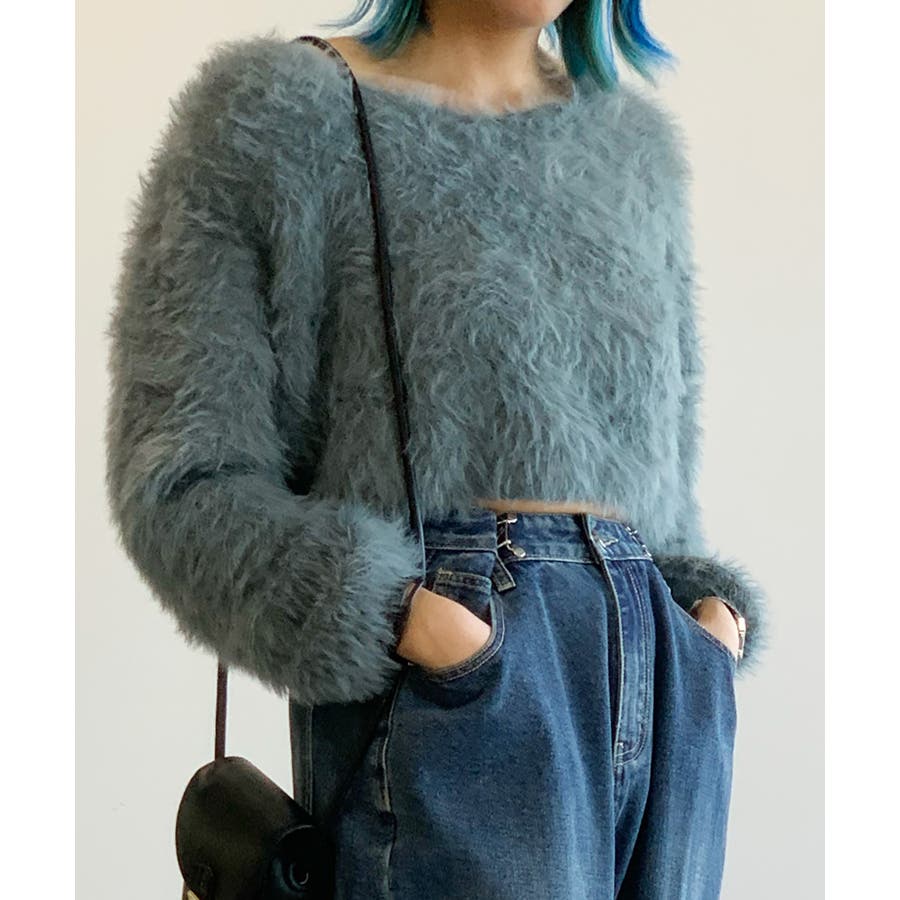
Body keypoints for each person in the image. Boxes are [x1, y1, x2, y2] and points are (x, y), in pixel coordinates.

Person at [105, 2, 770, 897]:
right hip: (453, 696)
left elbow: (660, 494)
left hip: (669, 704)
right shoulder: (278, 116)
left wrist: (707, 627)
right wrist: (398, 617)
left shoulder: (632, 148)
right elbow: (181, 477)